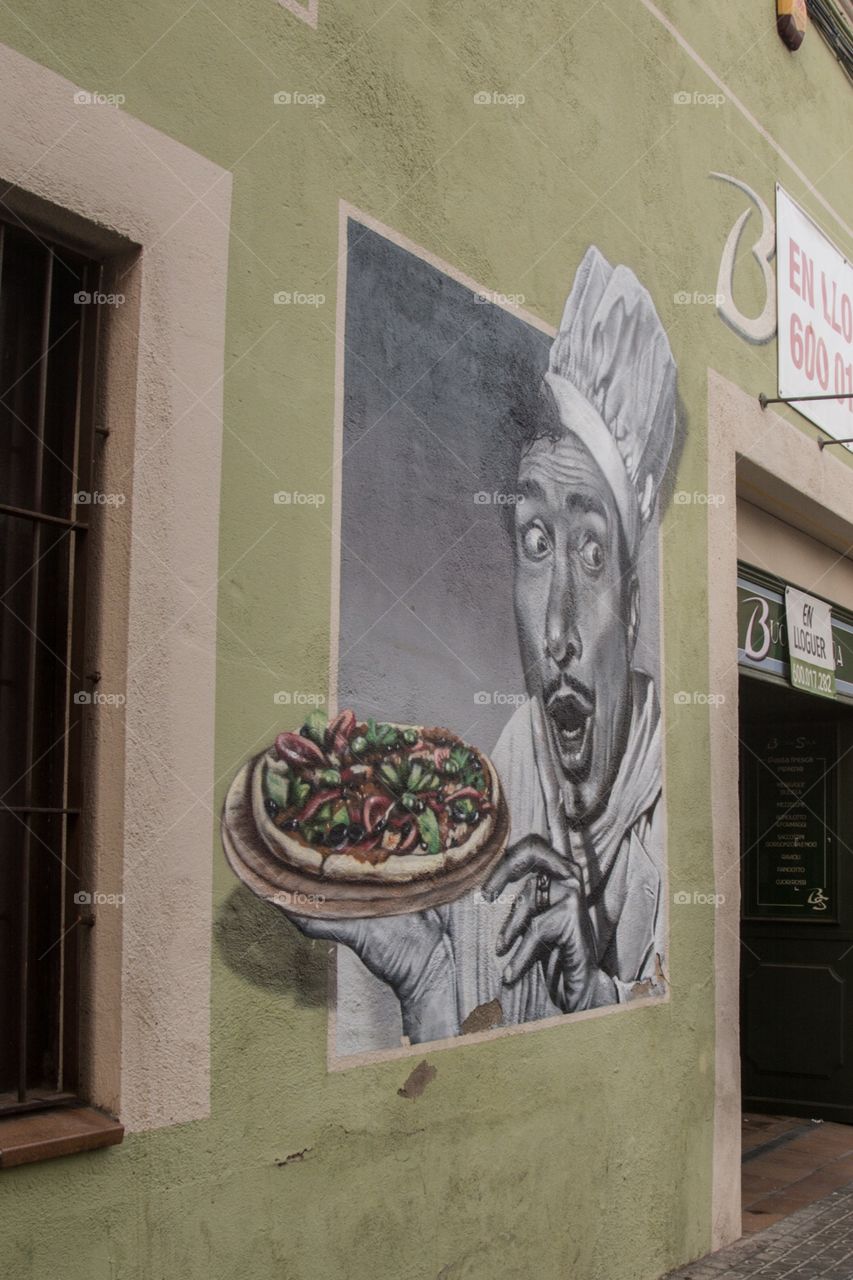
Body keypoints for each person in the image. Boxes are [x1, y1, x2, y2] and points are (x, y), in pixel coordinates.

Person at [284, 245, 677, 1046]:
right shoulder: (505, 778)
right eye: (536, 540)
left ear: (632, 611)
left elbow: (669, 1034)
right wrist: (428, 975)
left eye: (592, 553)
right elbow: (461, 1052)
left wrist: (591, 984)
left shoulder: (664, 821)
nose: (558, 631)